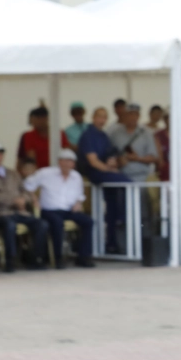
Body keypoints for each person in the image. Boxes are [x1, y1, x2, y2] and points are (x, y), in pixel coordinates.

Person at [0, 144, 48, 271]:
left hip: (20, 212)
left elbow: (25, 191)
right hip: (0, 213)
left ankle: (35, 258)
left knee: (41, 224)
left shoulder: (13, 174)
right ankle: (11, 260)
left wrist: (24, 199)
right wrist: (14, 200)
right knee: (9, 226)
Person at [76, 107, 132, 253]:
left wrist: (113, 163)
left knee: (112, 207)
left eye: (105, 117)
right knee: (127, 182)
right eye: (100, 117)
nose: (102, 120)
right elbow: (93, 161)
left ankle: (112, 242)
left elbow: (109, 156)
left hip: (106, 173)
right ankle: (124, 216)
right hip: (95, 174)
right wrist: (109, 169)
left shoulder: (104, 136)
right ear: (93, 117)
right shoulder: (88, 135)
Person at [24, 149, 94, 268]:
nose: (67, 164)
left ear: (74, 164)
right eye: (64, 161)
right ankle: (58, 258)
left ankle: (83, 257)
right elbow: (27, 184)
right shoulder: (45, 173)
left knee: (88, 221)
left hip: (68, 210)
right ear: (59, 162)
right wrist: (34, 199)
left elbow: (80, 195)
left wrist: (78, 203)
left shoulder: (76, 176)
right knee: (57, 223)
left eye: (70, 161)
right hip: (49, 210)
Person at [106, 102, 158, 182]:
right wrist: (118, 160)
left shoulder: (146, 133)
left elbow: (153, 157)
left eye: (136, 114)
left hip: (142, 177)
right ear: (125, 115)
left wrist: (138, 158)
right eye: (130, 114)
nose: (133, 117)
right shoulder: (115, 133)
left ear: (139, 116)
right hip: (121, 178)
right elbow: (108, 156)